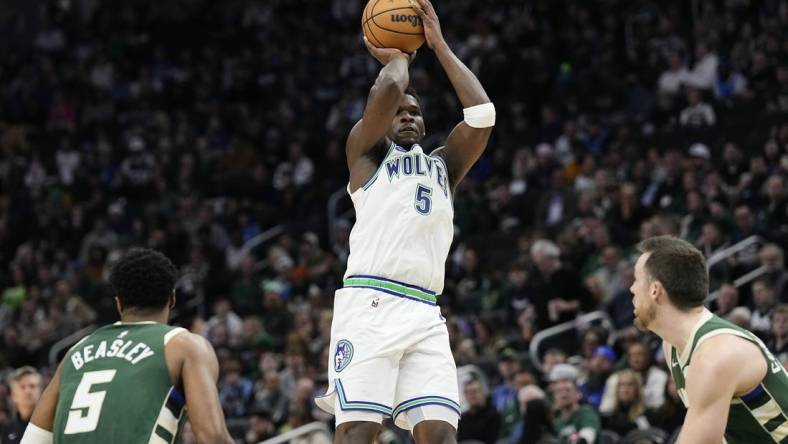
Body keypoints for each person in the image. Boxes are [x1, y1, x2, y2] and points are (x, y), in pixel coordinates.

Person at [313, 0, 495, 442]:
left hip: (425, 310)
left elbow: (483, 115)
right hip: (370, 305)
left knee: (440, 434)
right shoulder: (365, 155)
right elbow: (390, 89)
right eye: (400, 113)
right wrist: (397, 53)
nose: (408, 116)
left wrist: (440, 46)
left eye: (415, 112)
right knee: (359, 433)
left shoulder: (443, 168)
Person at [20, 248, 233, 444]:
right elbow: (212, 437)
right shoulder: (185, 345)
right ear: (172, 299)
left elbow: (33, 440)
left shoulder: (76, 350)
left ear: (119, 303)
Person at [630, 236, 788, 443]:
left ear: (655, 290)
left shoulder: (716, 355)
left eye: (636, 280)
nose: (632, 289)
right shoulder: (673, 346)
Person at [1, 367, 42, 444]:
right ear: (13, 395)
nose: (28, 391)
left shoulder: (51, 425)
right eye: (22, 387)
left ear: (41, 392)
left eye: (32, 386)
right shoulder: (7, 429)